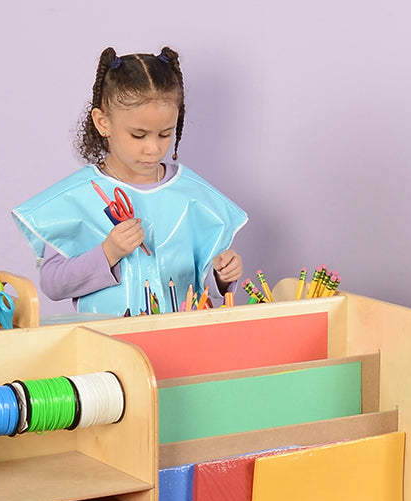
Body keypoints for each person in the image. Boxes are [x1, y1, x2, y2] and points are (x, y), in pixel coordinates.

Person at [13, 46, 246, 315]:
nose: (153, 149)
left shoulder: (192, 194)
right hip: (108, 345)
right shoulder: (75, 198)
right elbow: (53, 285)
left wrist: (222, 275)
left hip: (181, 338)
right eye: (138, 135)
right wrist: (108, 252)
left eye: (164, 134)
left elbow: (202, 279)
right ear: (103, 123)